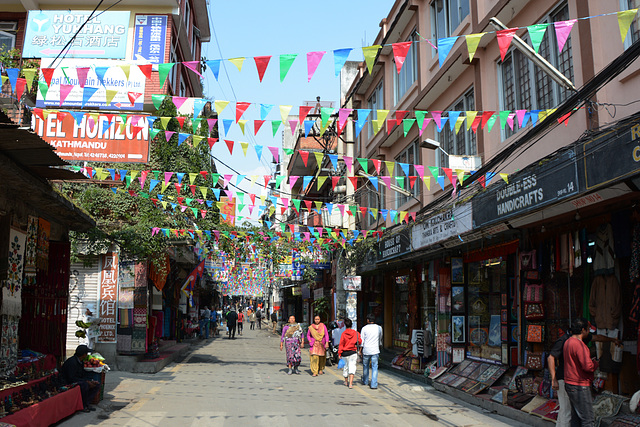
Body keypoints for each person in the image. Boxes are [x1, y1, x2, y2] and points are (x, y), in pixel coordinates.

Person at [563, 318, 598, 427]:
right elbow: (588, 367)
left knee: (577, 418)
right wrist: (596, 363)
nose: (588, 332)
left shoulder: (568, 342)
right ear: (583, 330)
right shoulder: (579, 345)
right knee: (587, 419)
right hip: (579, 384)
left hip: (570, 383)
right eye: (587, 330)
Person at [61, 345, 100, 412]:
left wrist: (90, 381)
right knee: (84, 385)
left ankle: (87, 403)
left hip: (78, 380)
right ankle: (83, 405)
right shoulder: (72, 362)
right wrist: (86, 382)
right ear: (84, 355)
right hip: (67, 382)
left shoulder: (80, 362)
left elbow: (82, 375)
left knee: (96, 385)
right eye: (86, 353)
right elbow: (71, 378)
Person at [548, 327, 572, 427]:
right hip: (563, 378)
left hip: (565, 378)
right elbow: (551, 358)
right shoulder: (563, 340)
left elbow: (595, 337)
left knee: (564, 410)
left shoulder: (572, 339)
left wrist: (613, 339)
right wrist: (554, 379)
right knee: (566, 411)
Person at [360, 314, 383, 389]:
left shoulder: (364, 328)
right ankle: (373, 384)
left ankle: (365, 381)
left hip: (366, 350)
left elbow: (362, 341)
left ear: (368, 320)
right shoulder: (379, 328)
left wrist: (360, 350)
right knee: (374, 367)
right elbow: (380, 338)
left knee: (365, 366)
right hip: (375, 350)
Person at [339, 318, 361, 389]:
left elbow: (341, 344)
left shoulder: (343, 334)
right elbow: (360, 342)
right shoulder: (356, 333)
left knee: (346, 367)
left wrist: (339, 353)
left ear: (345, 325)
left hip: (345, 353)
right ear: (352, 325)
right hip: (353, 352)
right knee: (352, 367)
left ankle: (346, 381)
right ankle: (351, 384)